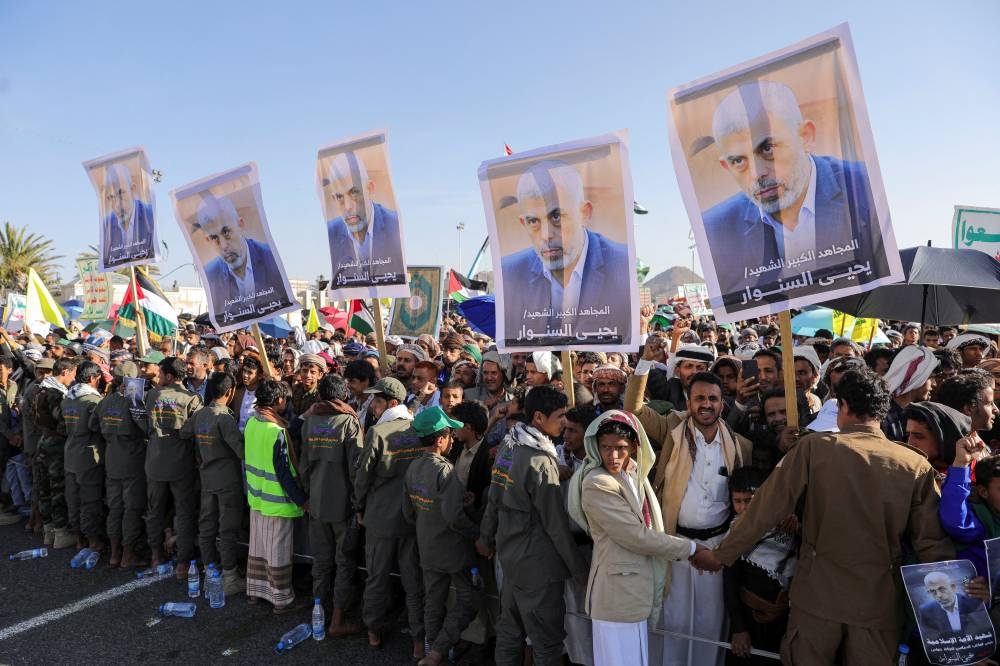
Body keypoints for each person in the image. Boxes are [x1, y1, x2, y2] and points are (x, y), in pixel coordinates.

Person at [693, 369, 955, 664]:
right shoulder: (914, 465)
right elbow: (932, 544)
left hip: (817, 601)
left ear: (843, 406)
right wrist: (963, 601)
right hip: (877, 603)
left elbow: (765, 509)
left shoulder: (813, 449)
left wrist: (721, 555)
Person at [701, 80, 889, 310]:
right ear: (726, 166)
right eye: (738, 161)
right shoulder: (715, 230)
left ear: (805, 136)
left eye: (768, 149)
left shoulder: (864, 189)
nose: (757, 173)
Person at [570, 411, 698, 666]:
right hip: (616, 598)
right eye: (605, 448)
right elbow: (637, 537)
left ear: (634, 447)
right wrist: (693, 549)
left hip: (631, 595)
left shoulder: (632, 475)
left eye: (620, 448)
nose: (613, 456)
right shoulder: (598, 483)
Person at [478, 385, 590, 666]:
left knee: (509, 632)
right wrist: (582, 574)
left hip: (511, 557)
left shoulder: (510, 443)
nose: (564, 422)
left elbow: (495, 494)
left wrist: (486, 538)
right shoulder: (541, 460)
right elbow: (556, 528)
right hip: (538, 566)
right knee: (547, 643)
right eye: (560, 416)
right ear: (539, 417)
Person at [499, 160, 630, 347]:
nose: (545, 235)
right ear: (523, 223)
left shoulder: (621, 266)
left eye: (556, 217)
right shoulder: (510, 274)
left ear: (584, 212)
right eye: (534, 221)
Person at [402, 406, 481, 666]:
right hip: (452, 550)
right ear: (440, 439)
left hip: (427, 547)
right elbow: (454, 518)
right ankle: (439, 650)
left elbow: (409, 511)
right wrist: (477, 534)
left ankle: (428, 651)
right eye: (449, 436)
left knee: (433, 602)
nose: (452, 441)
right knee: (469, 601)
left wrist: (459, 501)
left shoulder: (413, 467)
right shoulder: (445, 470)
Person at [353, 377, 425, 657]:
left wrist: (358, 507)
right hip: (412, 517)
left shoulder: (379, 433)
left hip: (381, 518)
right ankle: (419, 638)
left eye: (379, 401)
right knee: (412, 580)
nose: (373, 405)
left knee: (377, 577)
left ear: (392, 403)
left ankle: (373, 629)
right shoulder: (418, 428)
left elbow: (363, 477)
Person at [299, 373, 364, 636]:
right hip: (342, 506)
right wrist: (358, 503)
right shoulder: (348, 421)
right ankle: (337, 619)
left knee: (321, 561)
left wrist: (308, 495)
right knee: (344, 561)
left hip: (316, 503)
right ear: (344, 394)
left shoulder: (310, 420)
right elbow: (356, 469)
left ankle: (318, 609)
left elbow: (303, 465)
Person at [722, 467, 798, 665]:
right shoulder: (735, 535)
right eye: (737, 501)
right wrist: (739, 628)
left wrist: (796, 524)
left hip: (781, 620)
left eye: (749, 500)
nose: (743, 508)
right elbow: (729, 582)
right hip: (749, 621)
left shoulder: (784, 523)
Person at [244, 379, 308, 612]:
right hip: (277, 501)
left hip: (256, 497)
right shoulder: (276, 431)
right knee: (278, 551)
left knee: (258, 547)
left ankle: (255, 591)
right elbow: (284, 473)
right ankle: (281, 599)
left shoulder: (252, 422)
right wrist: (302, 500)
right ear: (279, 401)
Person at [181, 372, 246, 595]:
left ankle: (210, 569)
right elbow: (242, 451)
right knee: (227, 528)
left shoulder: (201, 415)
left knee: (207, 526)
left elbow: (184, 432)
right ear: (229, 392)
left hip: (207, 477)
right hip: (227, 480)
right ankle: (229, 576)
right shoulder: (224, 418)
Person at [141, 356, 203, 574]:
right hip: (181, 464)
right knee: (184, 513)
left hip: (155, 462)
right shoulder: (191, 399)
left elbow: (145, 425)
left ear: (169, 375)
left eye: (160, 373)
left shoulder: (152, 395)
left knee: (154, 511)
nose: (157, 377)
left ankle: (156, 556)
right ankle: (183, 564)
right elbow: (197, 433)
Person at [193, 192, 291, 323]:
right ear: (208, 239)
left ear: (241, 225)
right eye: (214, 237)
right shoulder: (211, 274)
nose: (223, 246)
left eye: (226, 232)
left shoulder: (270, 260)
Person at [91, 361, 148, 568]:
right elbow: (146, 428)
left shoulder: (105, 401)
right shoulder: (133, 401)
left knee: (115, 508)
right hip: (132, 461)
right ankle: (128, 555)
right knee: (131, 509)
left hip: (112, 460)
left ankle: (115, 554)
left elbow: (92, 425)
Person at [323, 150, 405, 289]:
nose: (348, 207)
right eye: (339, 197)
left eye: (354, 193)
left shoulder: (393, 225)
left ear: (370, 189)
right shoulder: (333, 232)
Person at [61, 361, 106, 555]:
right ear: (91, 378)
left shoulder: (68, 398)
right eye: (98, 378)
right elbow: (98, 427)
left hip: (70, 452)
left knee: (73, 498)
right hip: (88, 454)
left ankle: (79, 538)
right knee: (90, 500)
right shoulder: (93, 401)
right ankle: (93, 540)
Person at [100, 162, 155, 268]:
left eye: (121, 194)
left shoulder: (149, 216)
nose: (116, 204)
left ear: (133, 190)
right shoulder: (107, 226)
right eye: (111, 197)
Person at [881, 345, 938, 442]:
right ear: (915, 378)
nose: (934, 383)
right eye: (930, 378)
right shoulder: (885, 418)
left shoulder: (917, 412)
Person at [917, 571, 993, 639]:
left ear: (953, 587)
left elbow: (986, 628)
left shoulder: (973, 601)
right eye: (932, 591)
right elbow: (929, 639)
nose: (939, 595)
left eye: (942, 589)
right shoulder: (925, 610)